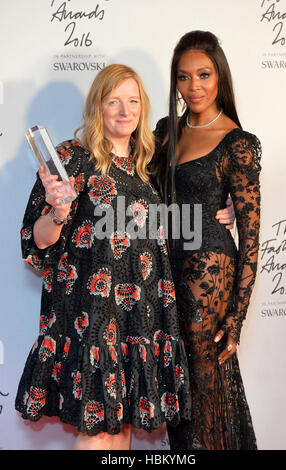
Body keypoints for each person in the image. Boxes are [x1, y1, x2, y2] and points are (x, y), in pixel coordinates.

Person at [15, 64, 195, 450]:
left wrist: (220, 214)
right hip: (94, 318)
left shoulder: (145, 169)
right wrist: (58, 211)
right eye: (113, 101)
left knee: (121, 431)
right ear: (98, 106)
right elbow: (36, 242)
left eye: (132, 101)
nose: (124, 110)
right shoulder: (74, 157)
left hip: (140, 317)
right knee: (97, 433)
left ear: (142, 108)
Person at [150, 31, 261, 450]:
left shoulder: (238, 143)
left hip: (208, 275)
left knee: (201, 382)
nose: (193, 87)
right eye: (183, 77)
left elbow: (251, 240)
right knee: (179, 385)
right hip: (165, 268)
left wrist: (236, 318)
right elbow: (144, 192)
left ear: (220, 77)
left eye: (203, 74)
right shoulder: (166, 131)